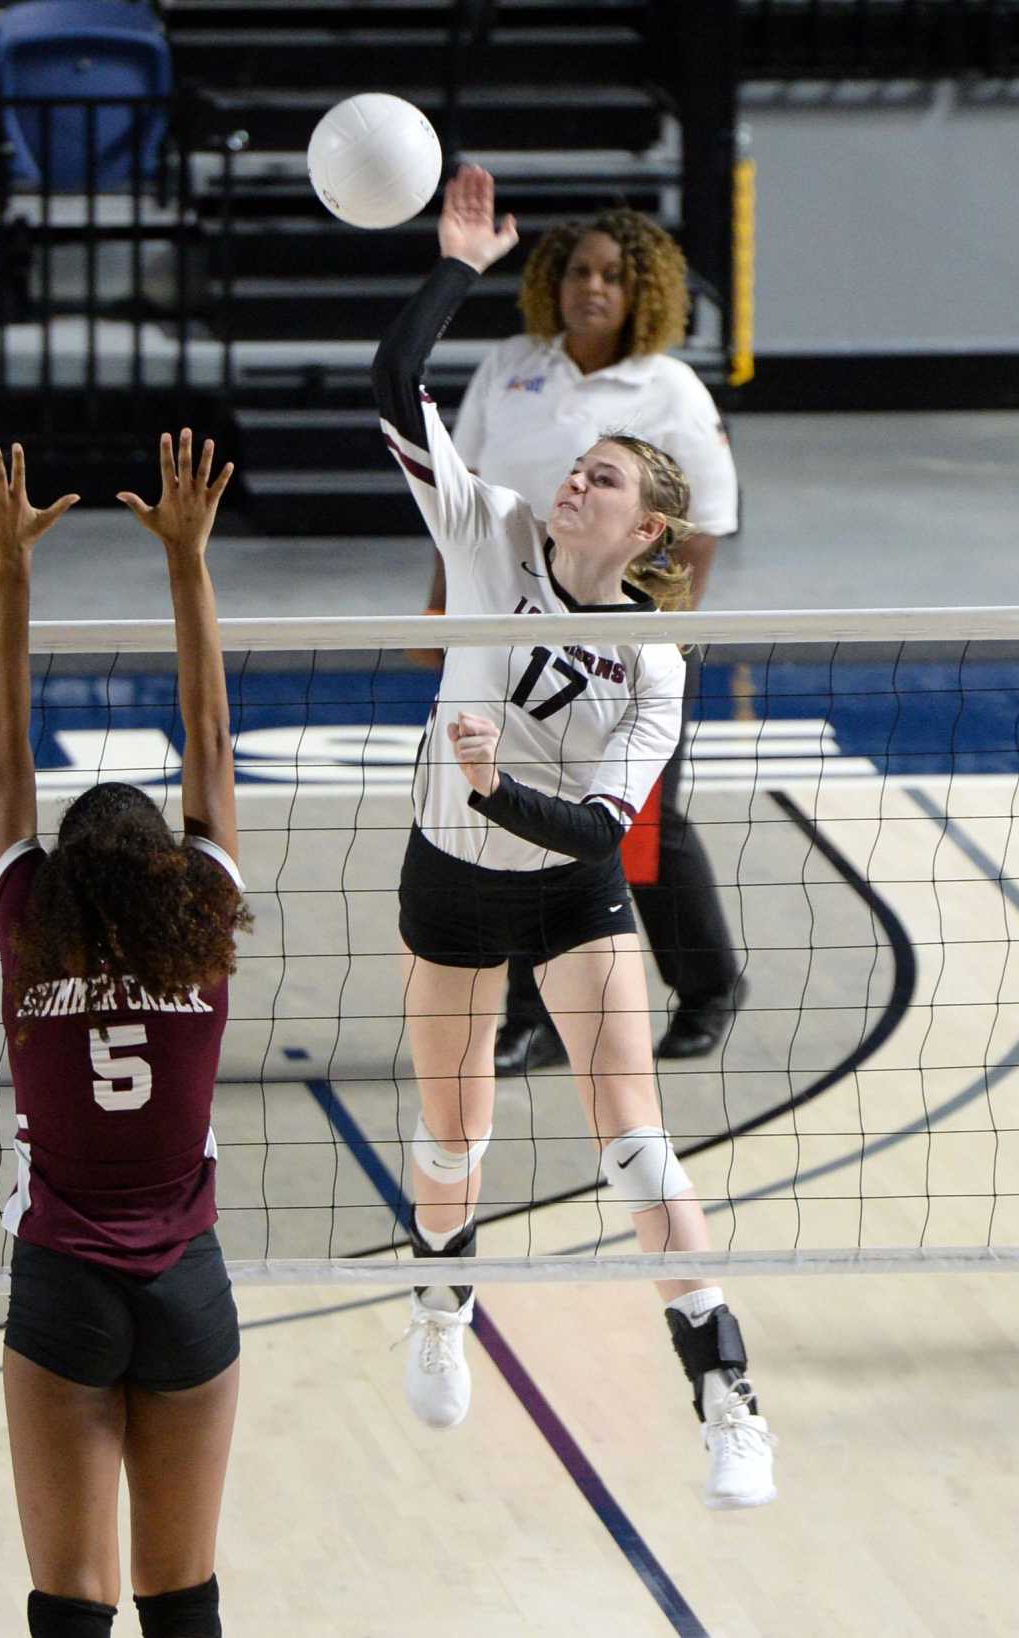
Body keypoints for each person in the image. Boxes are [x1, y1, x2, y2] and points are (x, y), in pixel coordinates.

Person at [371, 164, 775, 1508]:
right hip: (452, 884)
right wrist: (456, 269)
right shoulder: (489, 532)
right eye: (569, 472)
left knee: (636, 1143)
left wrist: (494, 791)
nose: (568, 485)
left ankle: (727, 1390)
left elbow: (604, 829)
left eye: (596, 478)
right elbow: (392, 381)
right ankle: (442, 1305)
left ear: (646, 524)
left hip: (565, 885)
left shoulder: (650, 662)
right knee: (453, 1141)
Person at [0, 432, 250, 1637]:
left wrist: (12, 571)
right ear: (174, 873)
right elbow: (213, 741)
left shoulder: (30, 925)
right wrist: (186, 561)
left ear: (60, 872)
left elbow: (5, 746)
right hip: (187, 1283)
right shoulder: (203, 929)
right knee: (185, 1599)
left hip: (63, 1280)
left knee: (69, 1604)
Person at [424, 202, 745, 1072]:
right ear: (551, 284)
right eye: (577, 271)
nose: (591, 287)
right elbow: (466, 494)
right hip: (517, 627)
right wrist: (441, 606)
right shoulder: (512, 368)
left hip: (618, 639)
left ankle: (709, 985)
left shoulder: (668, 388)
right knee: (526, 816)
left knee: (642, 828)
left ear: (641, 290)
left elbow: (707, 523)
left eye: (610, 274)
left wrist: (653, 644)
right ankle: (532, 1012)